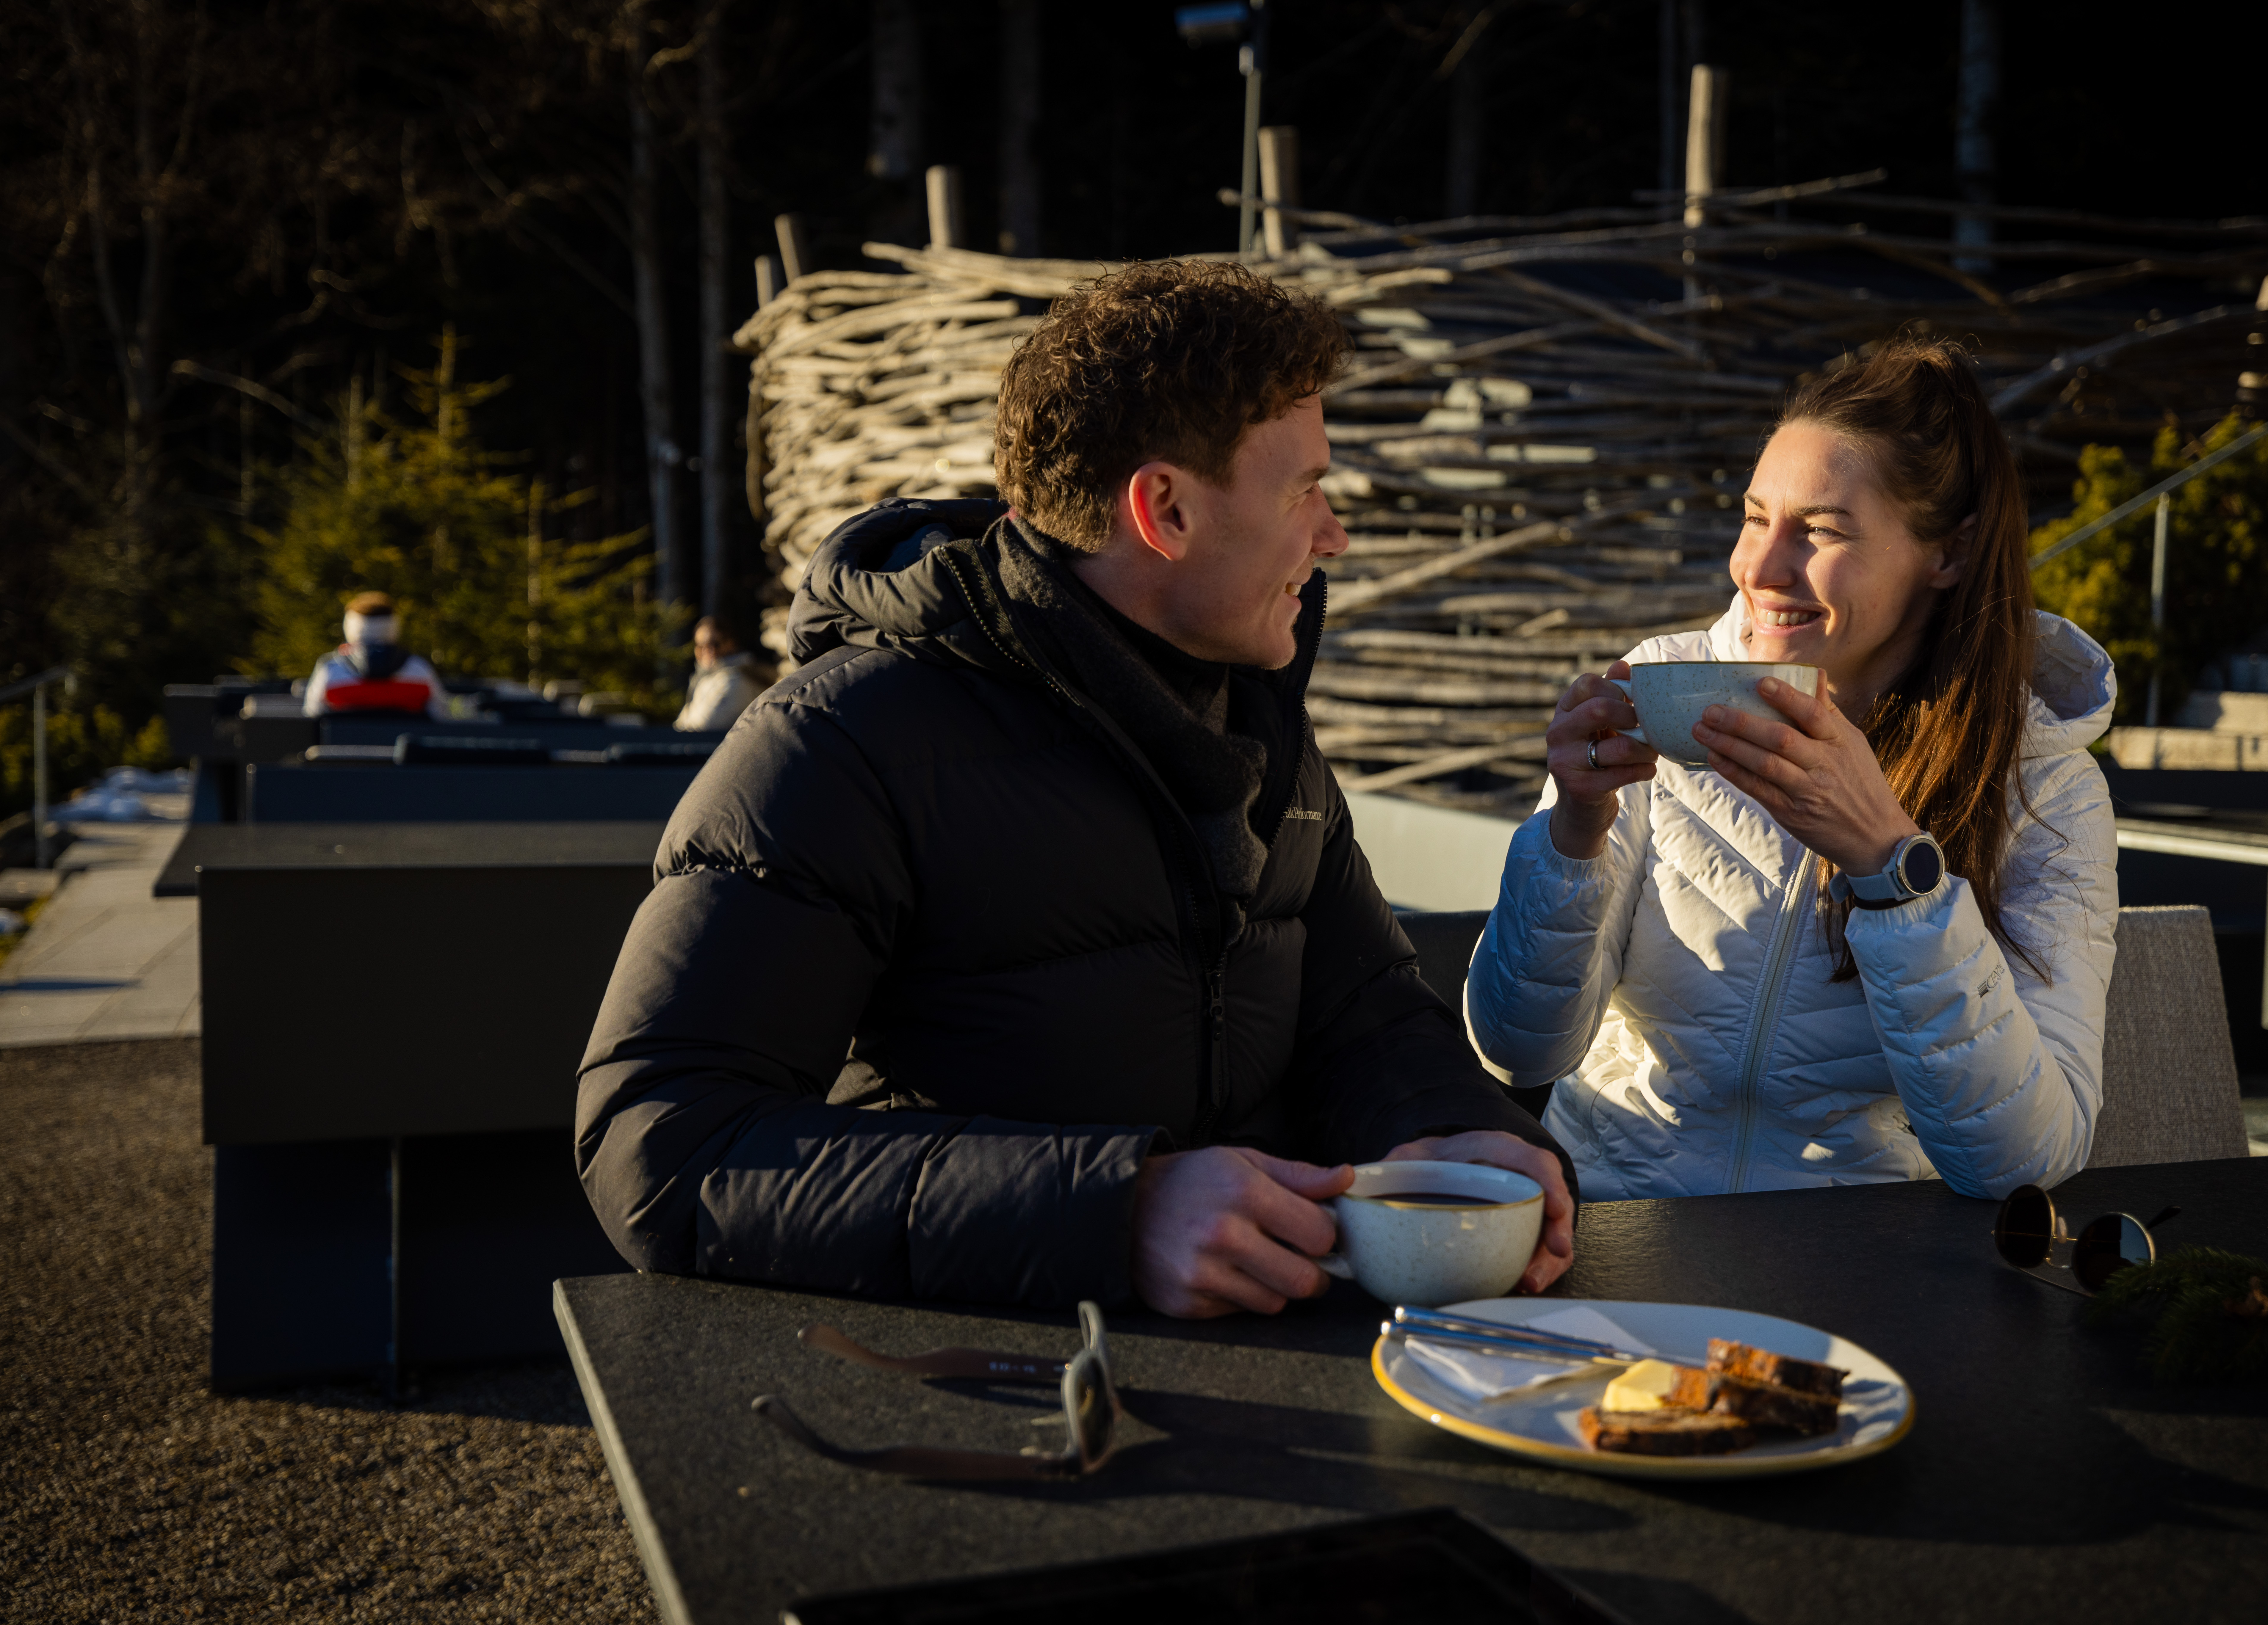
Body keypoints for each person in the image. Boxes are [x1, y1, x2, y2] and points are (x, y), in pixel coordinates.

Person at [576, 261, 1574, 1317]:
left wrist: (1452, 1134)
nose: (1333, 533)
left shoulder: (1255, 718)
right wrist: (1114, 1210)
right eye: (1304, 489)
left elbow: (1362, 1014)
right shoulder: (840, 742)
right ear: (1165, 509)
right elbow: (662, 1145)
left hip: (1279, 1378)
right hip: (976, 1394)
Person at [1465, 338, 2119, 1203]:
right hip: (1613, 1224)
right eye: (1754, 517)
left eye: (1820, 530)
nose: (1761, 568)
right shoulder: (1663, 688)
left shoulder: (2042, 789)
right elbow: (1517, 1048)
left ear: (1949, 554)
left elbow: (2025, 1159)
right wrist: (1571, 839)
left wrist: (1895, 871)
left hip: (1859, 1260)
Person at [301, 592, 450, 718]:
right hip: (402, 753)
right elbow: (440, 715)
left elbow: (313, 714)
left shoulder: (330, 670)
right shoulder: (421, 670)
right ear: (394, 626)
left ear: (351, 625)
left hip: (345, 752)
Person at [673, 615, 776, 732]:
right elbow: (680, 726)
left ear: (731, 643)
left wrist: (686, 724)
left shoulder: (736, 680)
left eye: (715, 644)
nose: (707, 651)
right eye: (701, 646)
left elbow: (707, 726)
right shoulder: (703, 678)